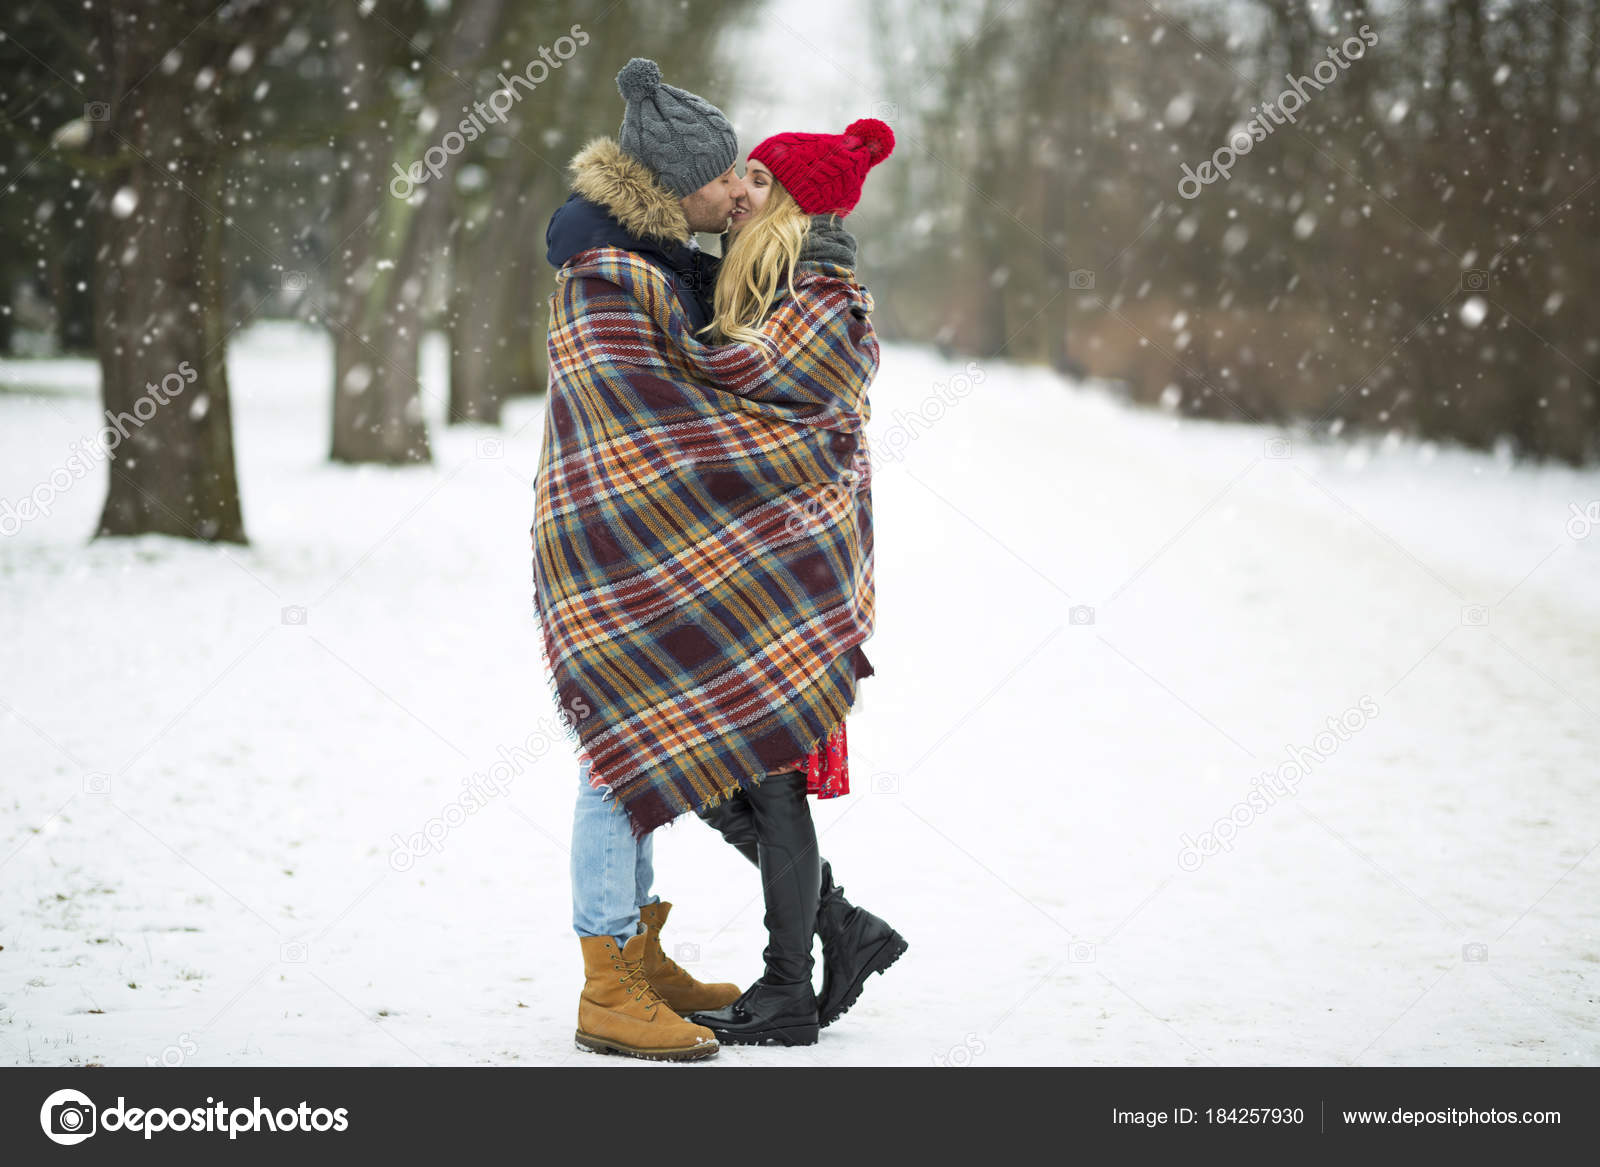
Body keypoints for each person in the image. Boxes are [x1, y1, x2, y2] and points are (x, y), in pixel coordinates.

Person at [538, 57, 749, 1063]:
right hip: (610, 544)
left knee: (642, 751)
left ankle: (637, 949)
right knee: (613, 761)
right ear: (676, 189)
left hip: (638, 540)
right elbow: (654, 407)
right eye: (726, 178)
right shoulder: (610, 273)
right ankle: (604, 984)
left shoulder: (649, 260)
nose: (739, 189)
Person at [684, 121, 906, 1048]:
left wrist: (665, 350)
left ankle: (787, 986)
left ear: (797, 202)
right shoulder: (774, 287)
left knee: (768, 781)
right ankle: (838, 927)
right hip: (759, 561)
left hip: (792, 570)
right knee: (708, 766)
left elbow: (747, 387)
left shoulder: (822, 297)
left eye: (759, 178)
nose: (741, 191)